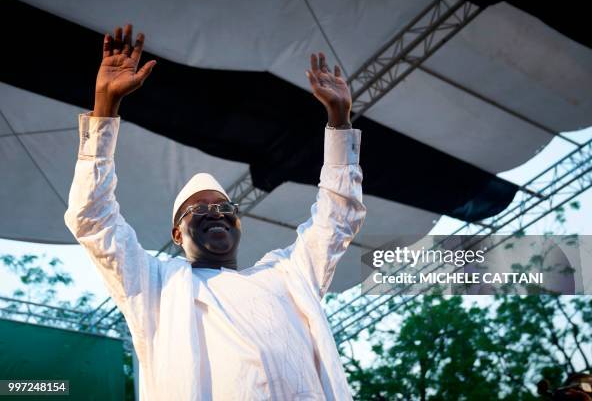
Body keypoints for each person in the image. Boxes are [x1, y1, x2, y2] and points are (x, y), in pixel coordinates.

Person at [64, 24, 366, 400]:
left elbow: (338, 217)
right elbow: (92, 217)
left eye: (225, 207)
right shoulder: (154, 285)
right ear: (177, 233)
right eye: (200, 208)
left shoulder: (287, 275)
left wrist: (339, 121)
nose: (216, 213)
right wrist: (104, 109)